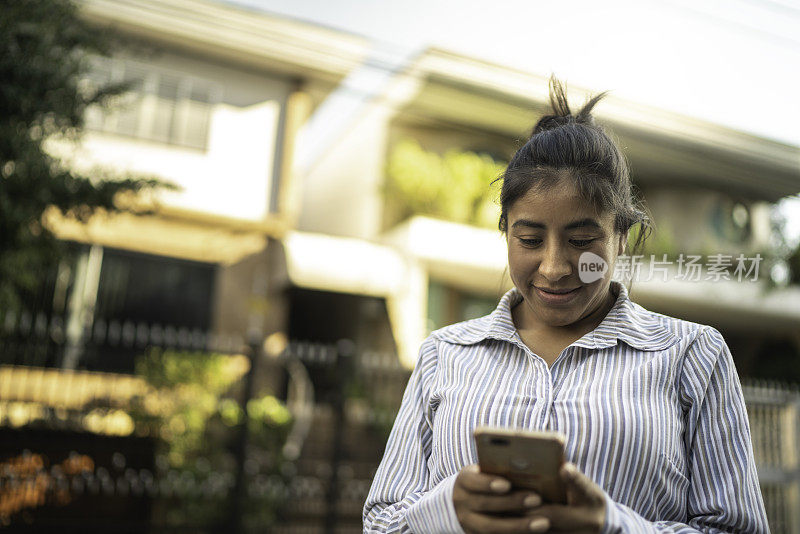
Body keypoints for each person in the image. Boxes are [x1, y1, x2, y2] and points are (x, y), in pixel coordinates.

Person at [362, 76, 770, 533]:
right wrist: (445, 511)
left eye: (581, 240)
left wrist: (611, 525)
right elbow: (381, 523)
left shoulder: (692, 355)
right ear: (506, 233)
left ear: (621, 235)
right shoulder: (445, 354)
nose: (554, 266)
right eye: (530, 239)